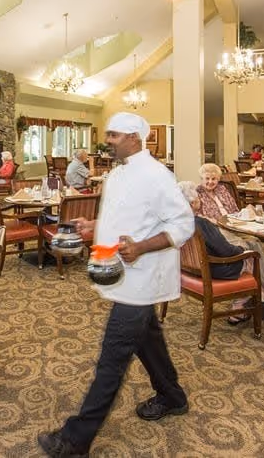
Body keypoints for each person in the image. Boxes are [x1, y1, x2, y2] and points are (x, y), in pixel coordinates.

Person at [38, 113, 193, 457]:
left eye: (114, 135)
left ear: (135, 137)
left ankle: (75, 440)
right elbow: (125, 217)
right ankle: (172, 396)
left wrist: (140, 247)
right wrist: (94, 226)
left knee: (112, 358)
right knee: (147, 340)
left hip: (142, 278)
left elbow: (183, 224)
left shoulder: (157, 176)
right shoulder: (118, 173)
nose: (107, 139)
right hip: (124, 275)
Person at [192, 166, 264, 305]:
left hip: (232, 223)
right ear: (201, 179)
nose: (210, 182)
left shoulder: (222, 189)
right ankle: (259, 286)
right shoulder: (197, 193)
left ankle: (263, 282)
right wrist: (214, 220)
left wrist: (241, 215)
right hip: (217, 227)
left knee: (254, 240)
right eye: (207, 179)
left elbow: (234, 209)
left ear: (218, 179)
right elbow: (198, 215)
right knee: (246, 245)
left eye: (214, 179)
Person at [178, 182, 245, 279]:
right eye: (198, 198)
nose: (200, 200)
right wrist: (243, 249)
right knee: (250, 252)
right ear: (192, 203)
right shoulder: (201, 223)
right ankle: (259, 290)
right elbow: (227, 251)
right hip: (216, 270)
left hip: (186, 270)